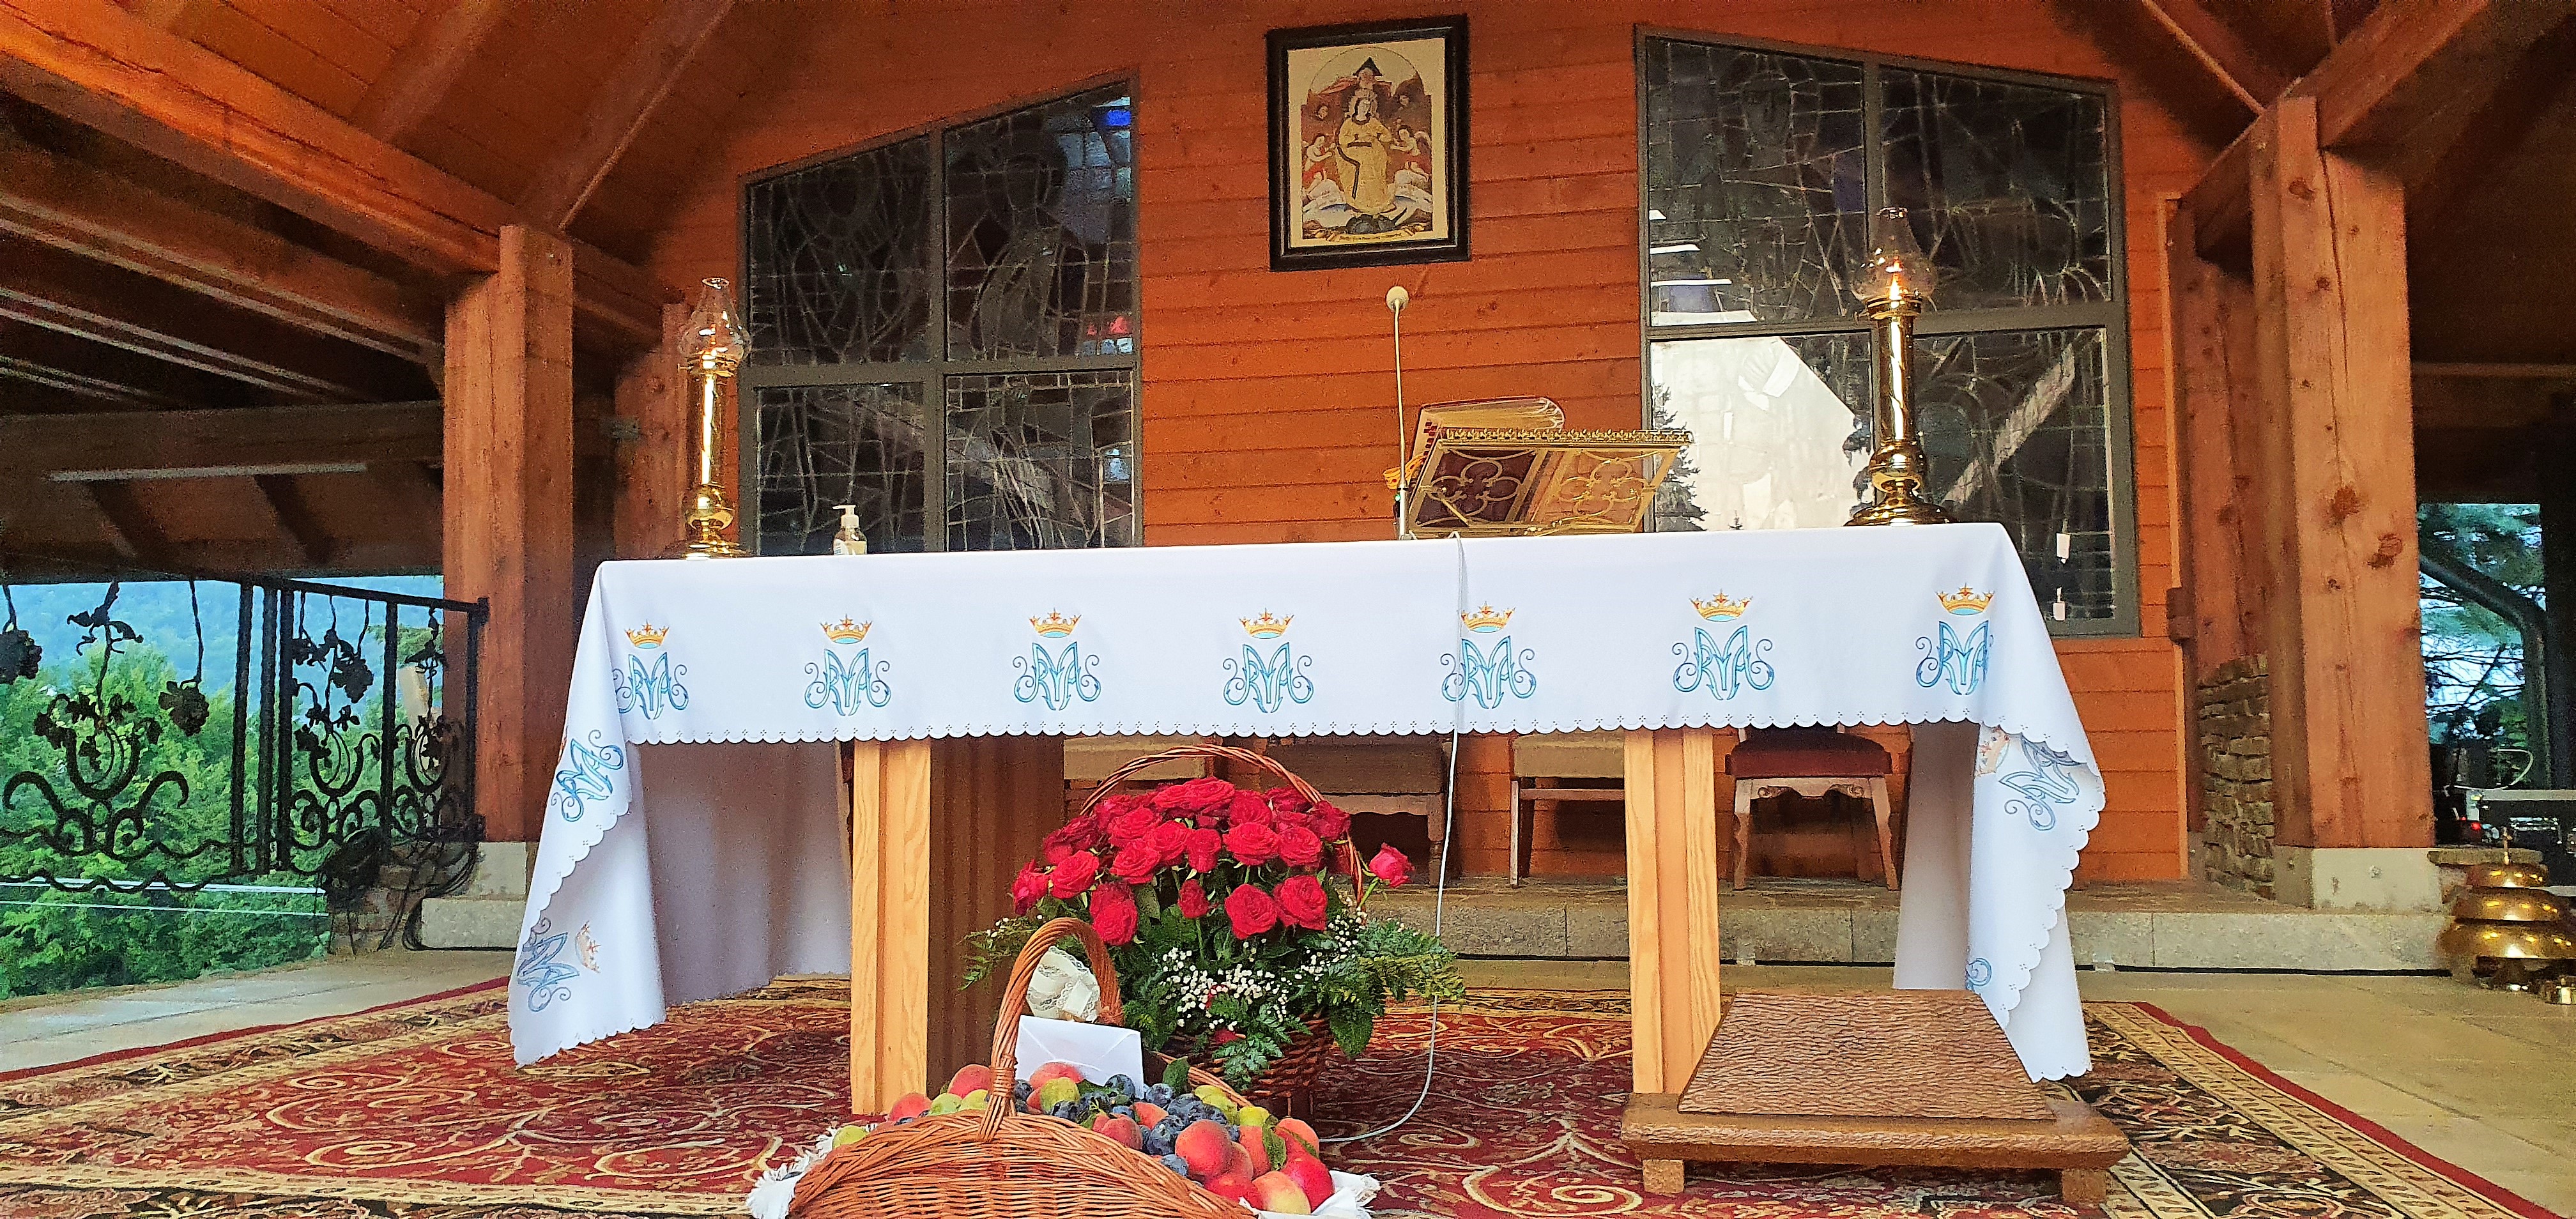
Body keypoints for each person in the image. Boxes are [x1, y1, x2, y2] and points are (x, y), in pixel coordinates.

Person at [1335, 86, 1397, 227]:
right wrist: (1357, 137)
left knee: (1374, 177)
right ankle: (1359, 204)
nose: (1365, 109)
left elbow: (1387, 136)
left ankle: (1377, 204)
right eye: (1363, 105)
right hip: (1354, 154)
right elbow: (1342, 140)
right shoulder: (1349, 123)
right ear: (1357, 106)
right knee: (1360, 175)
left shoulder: (1373, 122)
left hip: (1372, 153)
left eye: (1367, 107)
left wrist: (1376, 136)